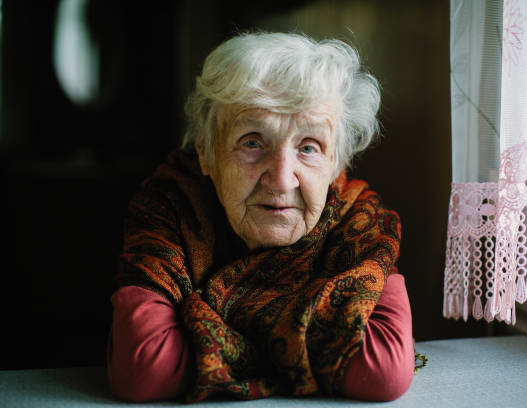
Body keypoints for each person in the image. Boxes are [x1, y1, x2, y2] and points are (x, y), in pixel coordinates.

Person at [107, 31, 414, 403]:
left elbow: (381, 372)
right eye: (253, 141)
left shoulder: (360, 221)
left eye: (309, 147)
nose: (282, 178)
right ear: (206, 152)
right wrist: (304, 346)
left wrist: (203, 327)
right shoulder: (170, 206)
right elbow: (146, 370)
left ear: (337, 164)